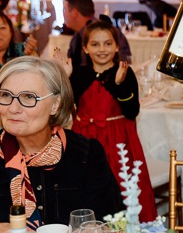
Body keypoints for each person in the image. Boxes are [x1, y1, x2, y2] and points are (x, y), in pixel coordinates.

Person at [0, 56, 122, 233]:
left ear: (55, 105)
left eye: (29, 97)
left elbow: (112, 222)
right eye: (6, 95)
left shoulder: (86, 155)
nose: (13, 108)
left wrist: (92, 232)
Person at [52, 20, 156, 222]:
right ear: (85, 48)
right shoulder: (79, 74)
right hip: (84, 139)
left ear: (117, 46)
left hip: (118, 140)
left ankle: (129, 231)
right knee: (85, 186)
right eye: (95, 44)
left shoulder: (125, 72)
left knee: (122, 185)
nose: (102, 49)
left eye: (108, 44)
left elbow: (132, 111)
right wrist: (65, 79)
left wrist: (119, 85)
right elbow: (63, 110)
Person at [63, 0, 132, 68]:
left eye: (64, 9)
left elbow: (123, 65)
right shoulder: (76, 38)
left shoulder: (109, 32)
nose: (63, 14)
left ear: (74, 12)